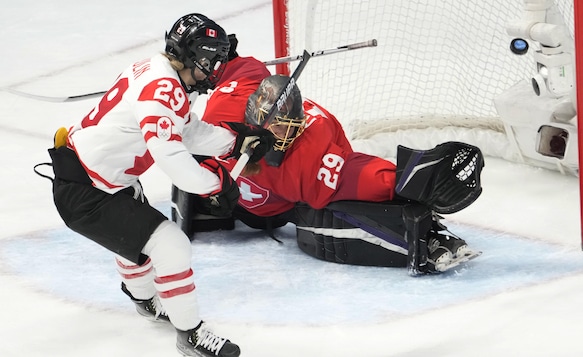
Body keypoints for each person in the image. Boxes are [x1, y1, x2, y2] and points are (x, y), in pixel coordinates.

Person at [37, 14, 275, 357]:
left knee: (134, 239)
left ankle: (145, 301)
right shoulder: (161, 90)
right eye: (213, 61)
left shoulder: (160, 72)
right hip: (87, 191)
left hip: (98, 177)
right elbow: (172, 159)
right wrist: (215, 184)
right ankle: (189, 335)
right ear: (199, 57)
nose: (216, 70)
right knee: (171, 246)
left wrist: (234, 141)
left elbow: (186, 130)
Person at [173, 38, 484, 276]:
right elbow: (237, 66)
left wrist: (408, 182)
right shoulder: (238, 106)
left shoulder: (302, 149)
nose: (281, 136)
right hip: (253, 209)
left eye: (288, 127)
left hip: (269, 204)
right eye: (275, 127)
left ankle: (418, 234)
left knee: (318, 209)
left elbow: (356, 175)